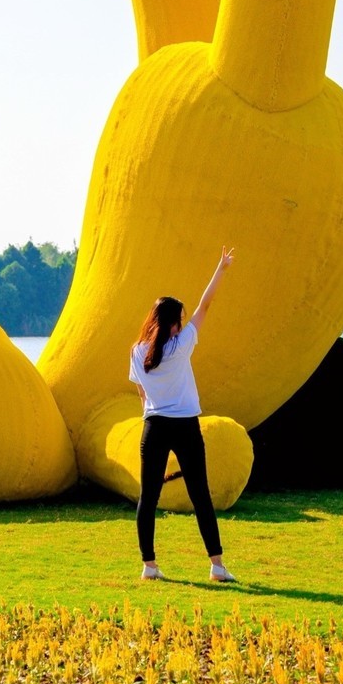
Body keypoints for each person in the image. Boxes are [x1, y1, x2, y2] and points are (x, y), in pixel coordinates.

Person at [129, 246, 238, 583]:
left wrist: (153, 407)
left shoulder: (137, 351)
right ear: (175, 324)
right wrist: (220, 268)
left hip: (154, 427)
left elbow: (141, 393)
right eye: (181, 319)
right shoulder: (181, 345)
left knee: (148, 497)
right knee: (200, 495)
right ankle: (217, 566)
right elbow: (207, 305)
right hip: (185, 427)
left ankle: (149, 566)